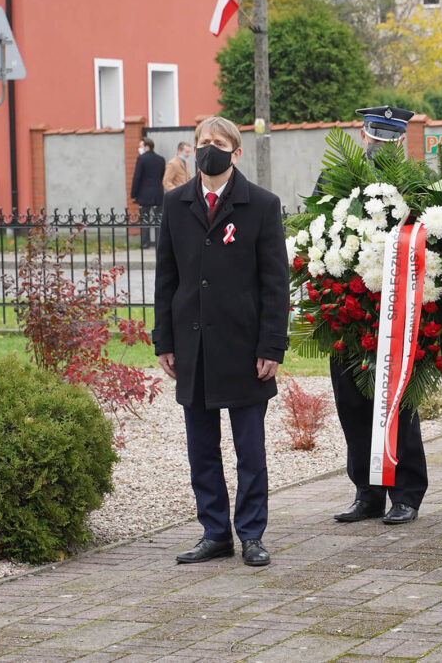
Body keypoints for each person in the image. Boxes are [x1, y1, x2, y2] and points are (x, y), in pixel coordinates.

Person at [153, 116, 289, 567]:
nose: (209, 148)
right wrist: (164, 341)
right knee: (201, 449)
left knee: (249, 450)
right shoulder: (175, 204)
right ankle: (214, 533)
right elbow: (166, 280)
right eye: (202, 142)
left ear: (236, 151)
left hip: (245, 348)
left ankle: (251, 534)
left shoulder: (262, 205)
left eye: (218, 142)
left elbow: (275, 283)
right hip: (193, 347)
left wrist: (272, 346)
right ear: (192, 150)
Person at [328, 104, 430, 526]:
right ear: (363, 135)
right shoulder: (336, 178)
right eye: (375, 137)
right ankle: (365, 491)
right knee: (351, 400)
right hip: (348, 307)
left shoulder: (418, 186)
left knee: (397, 400)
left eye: (389, 139)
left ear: (401, 141)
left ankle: (406, 492)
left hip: (399, 309)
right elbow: (319, 227)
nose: (380, 146)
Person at [131, 136, 166, 249]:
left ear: (147, 146)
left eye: (140, 146)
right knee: (158, 220)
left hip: (144, 193)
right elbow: (161, 175)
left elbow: (137, 177)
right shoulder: (161, 159)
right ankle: (158, 243)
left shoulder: (141, 159)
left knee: (145, 219)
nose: (139, 148)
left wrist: (133, 194)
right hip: (158, 192)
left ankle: (145, 243)